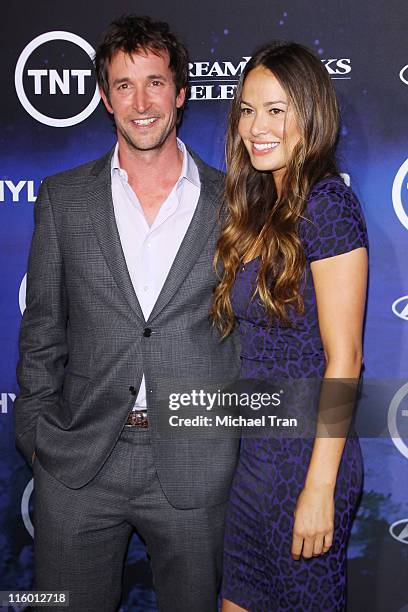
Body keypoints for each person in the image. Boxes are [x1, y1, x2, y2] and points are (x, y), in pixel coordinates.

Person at [14, 15, 240, 612]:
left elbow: (253, 336)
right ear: (105, 100)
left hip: (195, 465)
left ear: (182, 93)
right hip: (80, 464)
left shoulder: (237, 201)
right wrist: (37, 435)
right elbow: (41, 331)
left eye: (155, 82)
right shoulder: (63, 198)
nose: (142, 103)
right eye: (123, 85)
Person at [212, 41, 368, 611]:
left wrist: (320, 487)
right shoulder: (260, 207)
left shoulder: (328, 206)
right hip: (256, 460)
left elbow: (346, 358)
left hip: (305, 460)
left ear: (311, 114)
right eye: (248, 110)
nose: (258, 126)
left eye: (276, 110)